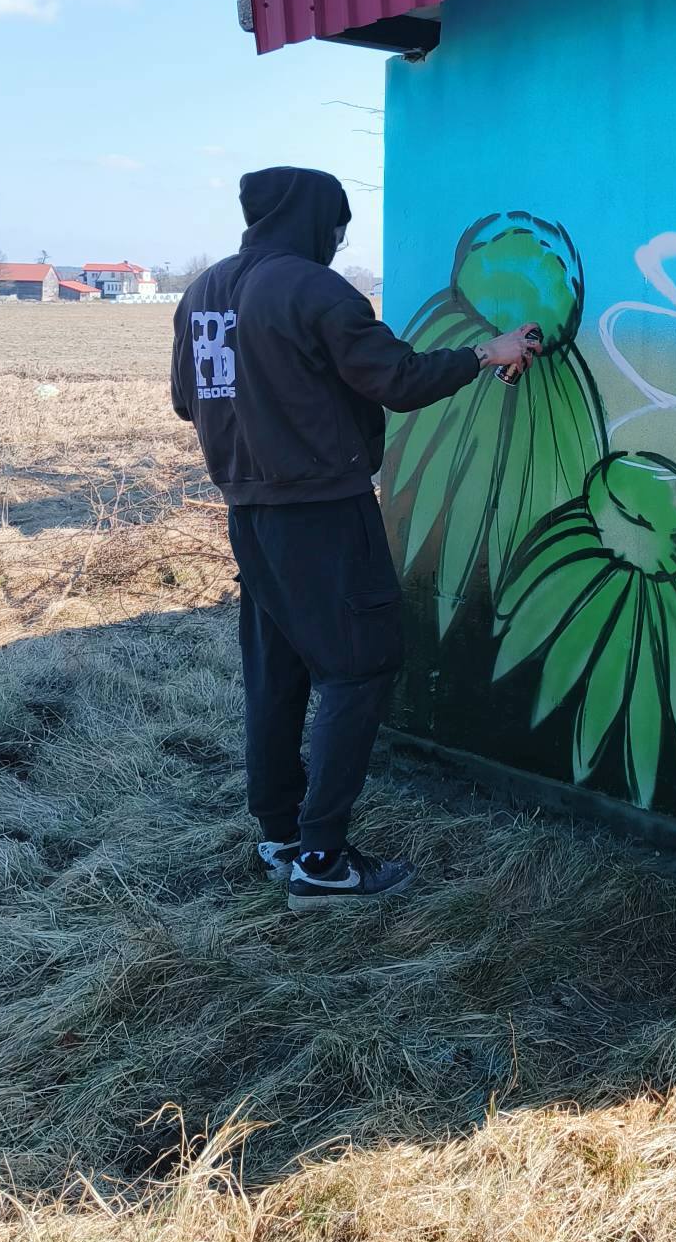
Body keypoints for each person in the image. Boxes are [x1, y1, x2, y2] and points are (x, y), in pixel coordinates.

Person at [172, 167, 540, 912]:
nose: (339, 243)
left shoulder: (203, 292)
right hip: (324, 513)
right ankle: (323, 860)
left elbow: (188, 400)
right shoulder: (314, 289)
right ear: (314, 220)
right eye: (337, 228)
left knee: (277, 671)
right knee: (359, 668)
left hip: (249, 512)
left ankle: (280, 835)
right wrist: (484, 353)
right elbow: (397, 380)